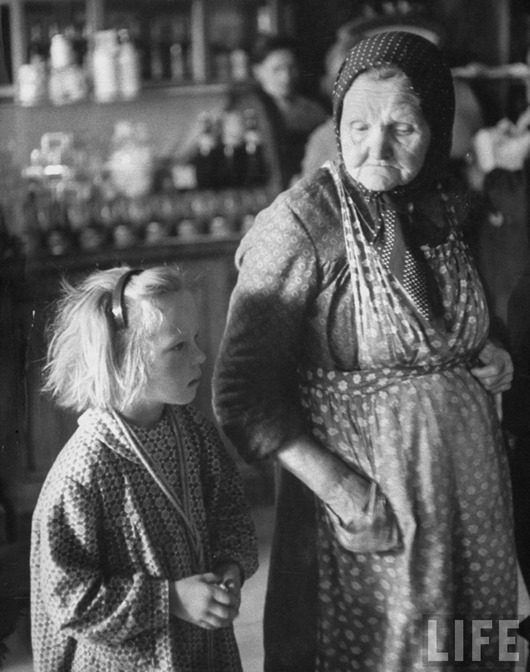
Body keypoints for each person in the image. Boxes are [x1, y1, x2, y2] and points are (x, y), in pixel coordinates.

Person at [213, 31, 517, 671]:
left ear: (436, 128)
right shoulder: (303, 221)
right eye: (358, 127)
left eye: (402, 128)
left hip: (467, 503)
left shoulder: (447, 205)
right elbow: (241, 393)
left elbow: (447, 321)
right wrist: (342, 491)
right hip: (372, 508)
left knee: (470, 648)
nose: (375, 148)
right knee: (382, 655)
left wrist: (490, 349)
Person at [31, 265, 258, 671]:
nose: (200, 356)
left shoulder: (193, 431)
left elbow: (230, 513)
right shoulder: (83, 472)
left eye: (196, 340)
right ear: (123, 358)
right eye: (178, 346)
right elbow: (69, 599)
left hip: (203, 650)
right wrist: (171, 600)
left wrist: (231, 567)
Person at [249, 34, 327, 188]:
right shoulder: (248, 109)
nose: (286, 77)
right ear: (258, 71)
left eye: (291, 68)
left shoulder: (312, 109)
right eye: (277, 69)